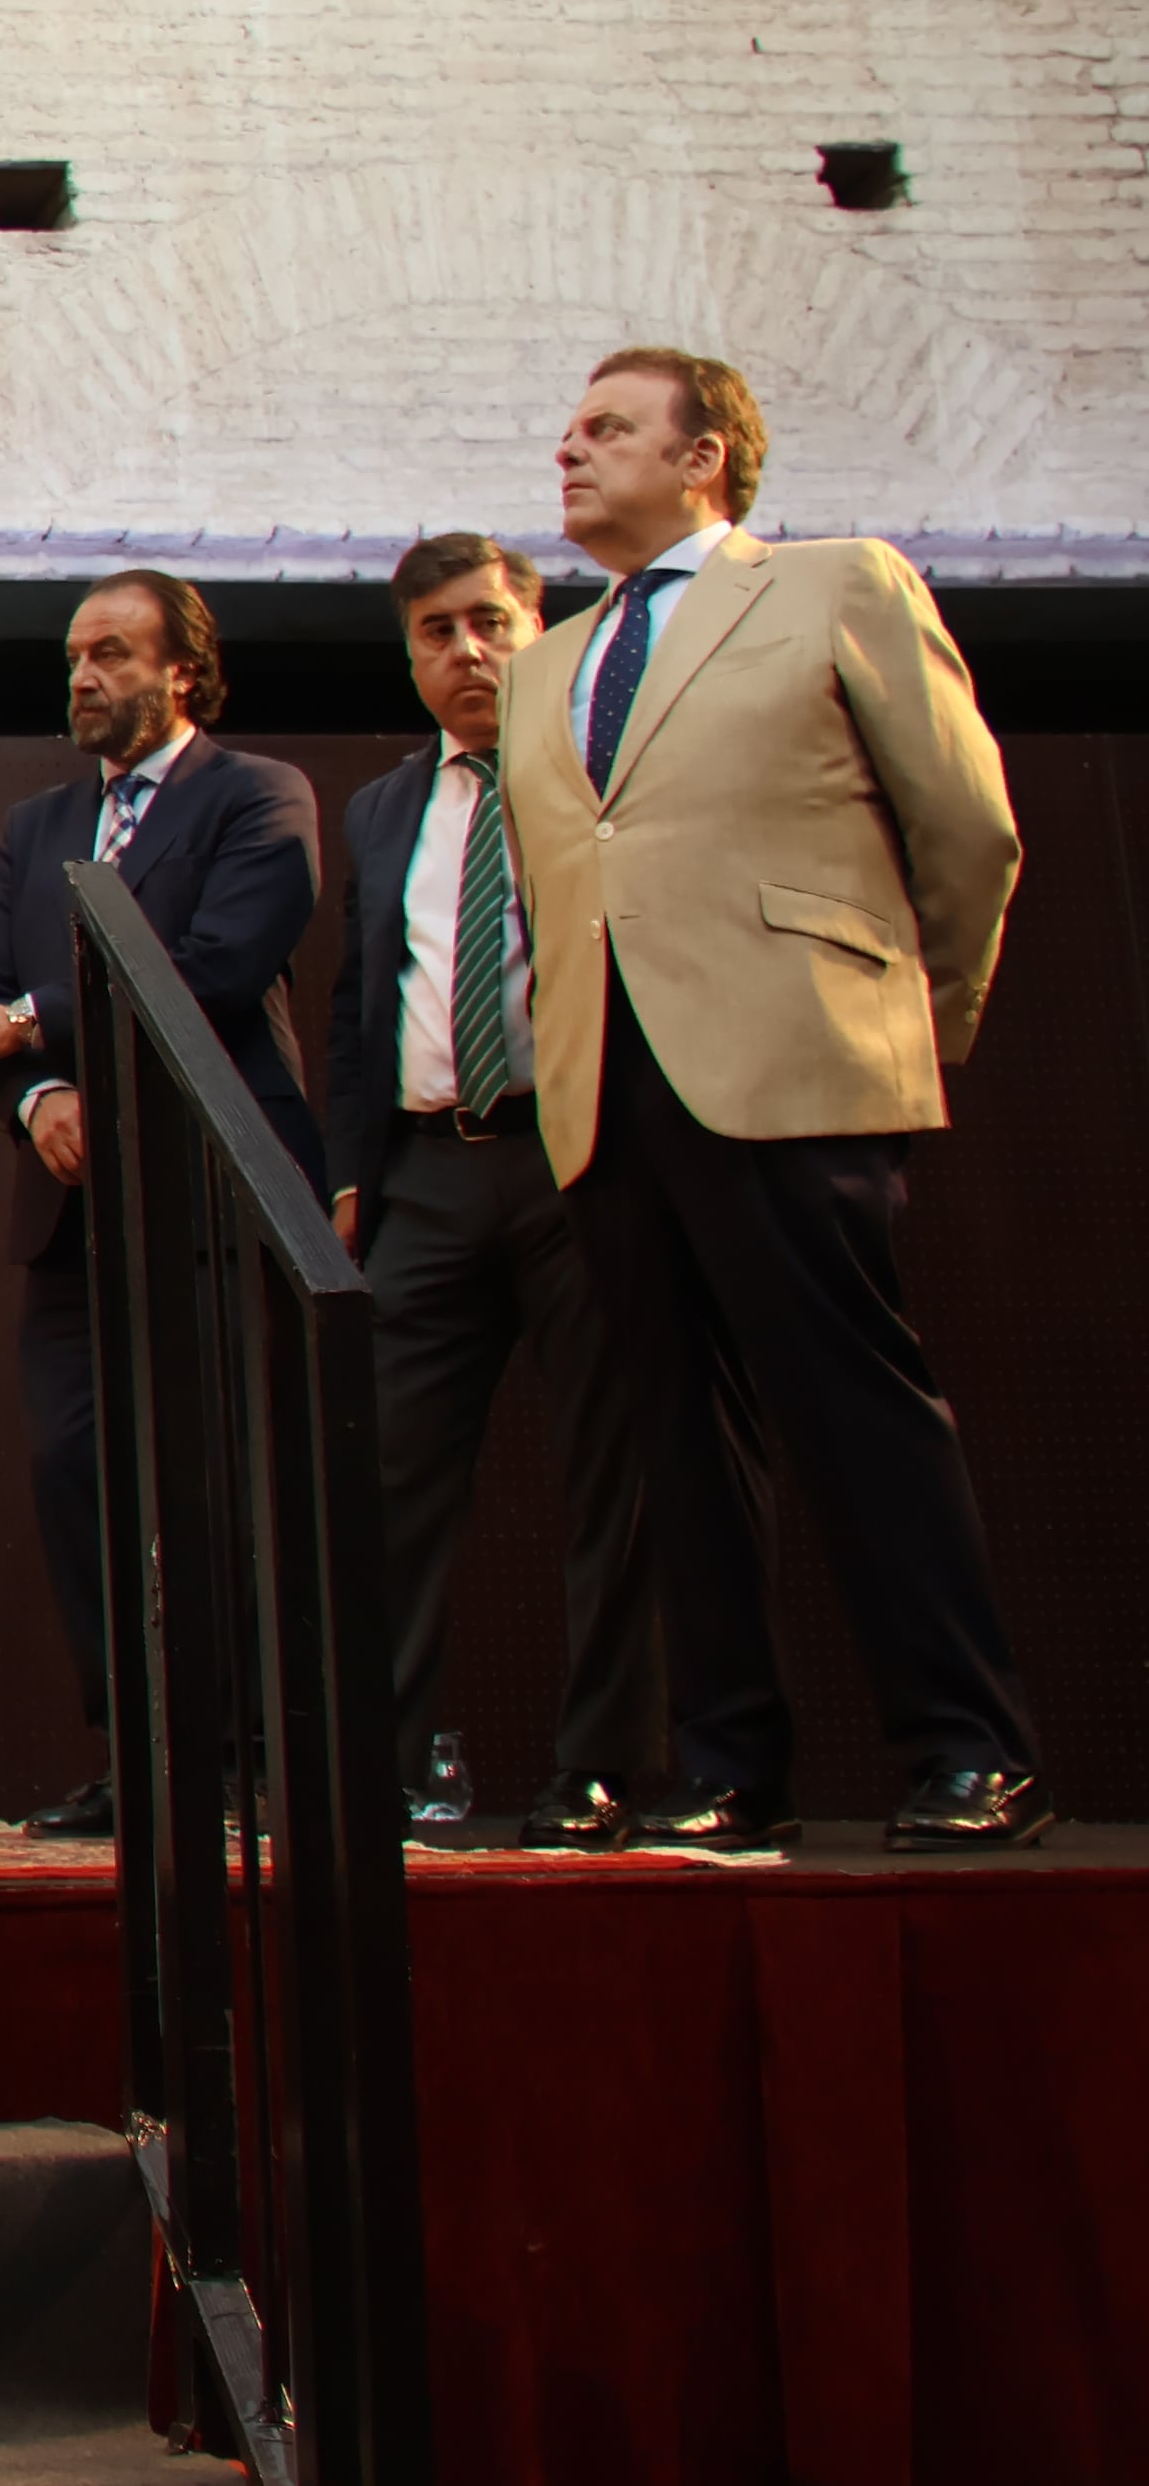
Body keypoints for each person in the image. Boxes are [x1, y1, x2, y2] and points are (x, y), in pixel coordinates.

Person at [510, 348, 1040, 1850]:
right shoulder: (550, 660)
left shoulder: (833, 586)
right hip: (610, 1094)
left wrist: (904, 1028)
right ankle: (730, 1764)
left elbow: (969, 828)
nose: (572, 447)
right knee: (678, 1447)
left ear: (707, 457)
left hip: (797, 1069)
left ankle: (967, 1746)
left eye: (609, 426)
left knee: (862, 1417)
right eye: (567, 429)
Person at [0, 568, 320, 1840]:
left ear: (180, 672)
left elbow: (214, 967)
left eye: (110, 653)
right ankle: (141, 1753)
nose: (82, 677)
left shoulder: (254, 795)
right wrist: (40, 1089)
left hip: (212, 1190)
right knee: (75, 1471)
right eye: (72, 657)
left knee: (205, 1476)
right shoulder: (38, 825)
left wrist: (36, 1021)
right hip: (73, 1211)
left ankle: (235, 1753)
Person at [320, 535, 658, 1850]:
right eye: (437, 633)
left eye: (490, 622)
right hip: (427, 1177)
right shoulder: (382, 807)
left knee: (611, 1474)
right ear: (410, 658)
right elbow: (360, 997)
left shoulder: (603, 781)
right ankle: (378, 1770)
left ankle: (603, 1768)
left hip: (578, 1159)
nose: (467, 651)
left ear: (537, 627)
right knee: (387, 1483)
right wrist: (354, 1173)